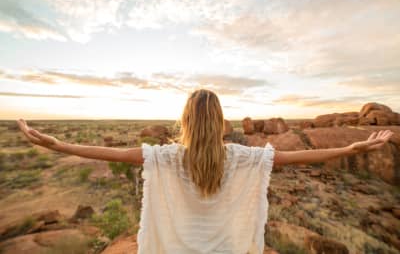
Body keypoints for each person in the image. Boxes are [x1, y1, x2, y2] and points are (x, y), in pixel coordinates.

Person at [17, 88, 394, 254]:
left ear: (185, 121)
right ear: (220, 121)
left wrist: (58, 144)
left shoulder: (166, 157)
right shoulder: (240, 157)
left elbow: (111, 153)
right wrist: (350, 147)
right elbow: (296, 159)